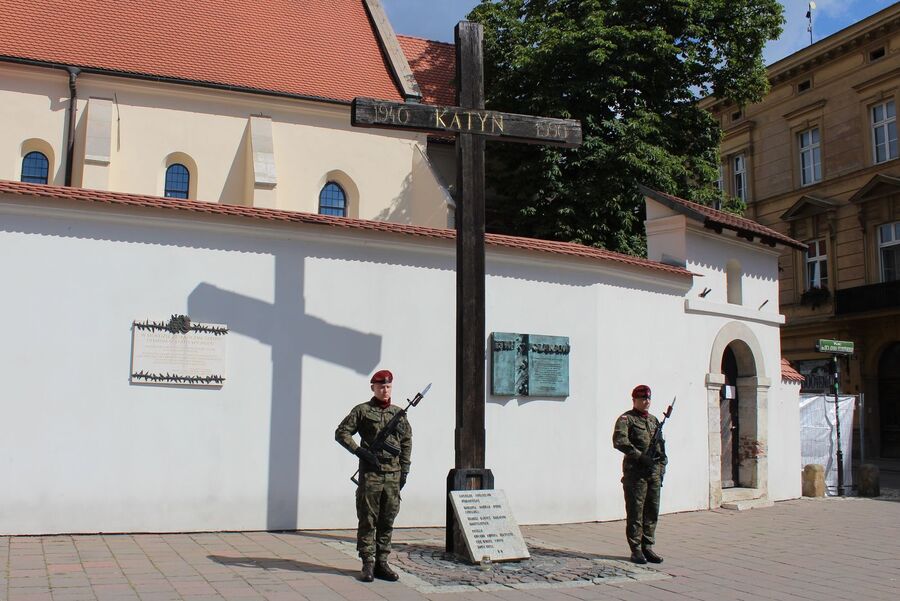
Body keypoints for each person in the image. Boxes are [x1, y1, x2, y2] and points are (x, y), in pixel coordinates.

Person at [335, 369, 412, 582]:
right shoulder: (362, 411)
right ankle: (367, 563)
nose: (384, 390)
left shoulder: (399, 414)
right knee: (368, 519)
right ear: (373, 388)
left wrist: (404, 470)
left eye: (388, 386)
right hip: (371, 475)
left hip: (393, 475)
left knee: (388, 519)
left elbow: (406, 443)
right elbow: (341, 432)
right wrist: (360, 452)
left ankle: (382, 563)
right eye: (380, 387)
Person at [612, 384, 667, 565]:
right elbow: (620, 441)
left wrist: (662, 466)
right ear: (634, 400)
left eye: (648, 399)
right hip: (636, 474)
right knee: (636, 512)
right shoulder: (626, 419)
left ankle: (648, 546)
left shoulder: (653, 420)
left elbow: (660, 446)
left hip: (653, 473)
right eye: (643, 399)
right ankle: (636, 549)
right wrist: (640, 456)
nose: (646, 402)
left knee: (652, 511)